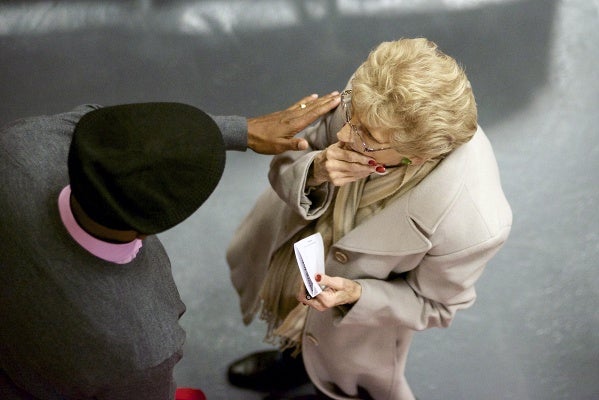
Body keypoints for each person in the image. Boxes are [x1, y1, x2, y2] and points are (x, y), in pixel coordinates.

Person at [0, 92, 340, 400]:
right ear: (155, 223)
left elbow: (108, 128)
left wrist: (243, 131)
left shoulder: (19, 148)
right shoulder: (140, 344)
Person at [226, 38, 512, 400]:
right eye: (351, 117)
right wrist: (314, 170)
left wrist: (358, 295)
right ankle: (292, 359)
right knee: (296, 325)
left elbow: (436, 306)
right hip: (292, 252)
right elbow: (294, 156)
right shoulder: (372, 98)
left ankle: (318, 378)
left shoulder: (475, 224)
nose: (344, 134)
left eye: (367, 136)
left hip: (355, 325)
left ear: (416, 155)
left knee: (335, 373)